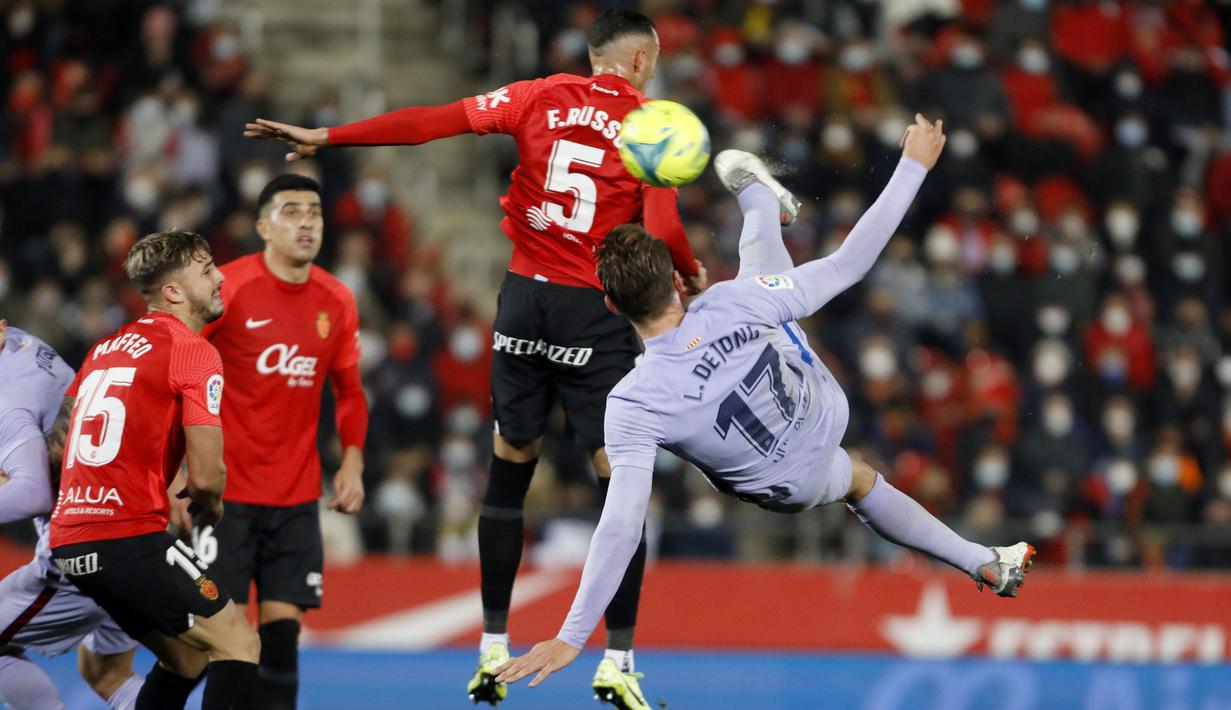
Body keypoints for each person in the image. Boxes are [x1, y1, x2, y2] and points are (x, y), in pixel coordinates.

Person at [245, 9, 703, 708]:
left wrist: (328, 137)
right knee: (621, 482)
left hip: (522, 302)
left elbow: (429, 122)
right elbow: (664, 225)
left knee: (509, 466)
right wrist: (688, 271)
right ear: (641, 61)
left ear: (593, 55)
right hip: (593, 310)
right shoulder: (649, 125)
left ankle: (491, 646)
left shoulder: (535, 96)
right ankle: (617, 658)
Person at [494, 117, 1036, 690]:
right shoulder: (730, 302)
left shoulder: (631, 403)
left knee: (854, 476)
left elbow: (622, 525)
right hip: (823, 410)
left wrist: (572, 635)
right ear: (676, 280)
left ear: (611, 305)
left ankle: (985, 562)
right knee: (762, 289)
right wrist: (912, 167)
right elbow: (850, 263)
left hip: (788, 487)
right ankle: (756, 194)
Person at [49, 230, 260, 709]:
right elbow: (205, 476)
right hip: (127, 536)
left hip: (70, 542)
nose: (221, 278)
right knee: (239, 643)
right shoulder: (193, 351)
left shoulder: (103, 349)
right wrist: (212, 503)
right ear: (173, 292)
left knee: (186, 660)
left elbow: (57, 452)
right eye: (207, 271)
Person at [191, 173, 367, 710]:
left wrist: (353, 462)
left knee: (282, 639)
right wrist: (180, 468)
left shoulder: (336, 299)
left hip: (295, 496)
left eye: (314, 211)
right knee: (215, 641)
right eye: (291, 211)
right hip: (225, 497)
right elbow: (181, 368)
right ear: (263, 227)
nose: (306, 221)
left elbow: (350, 392)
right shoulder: (229, 288)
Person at [0, 320, 143, 710]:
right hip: (133, 524)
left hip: (81, 546)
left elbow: (33, 493)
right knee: (109, 674)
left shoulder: (7, 401)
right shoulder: (25, 344)